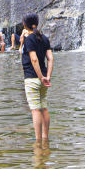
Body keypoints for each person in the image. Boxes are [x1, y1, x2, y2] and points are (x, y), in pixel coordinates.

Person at [21, 13, 54, 142]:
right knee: (44, 108)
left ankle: (38, 141)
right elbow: (50, 59)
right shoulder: (44, 38)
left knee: (35, 110)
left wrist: (40, 77)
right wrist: (47, 76)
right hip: (44, 79)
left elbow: (33, 60)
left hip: (33, 78)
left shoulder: (30, 39)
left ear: (25, 24)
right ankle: (46, 138)